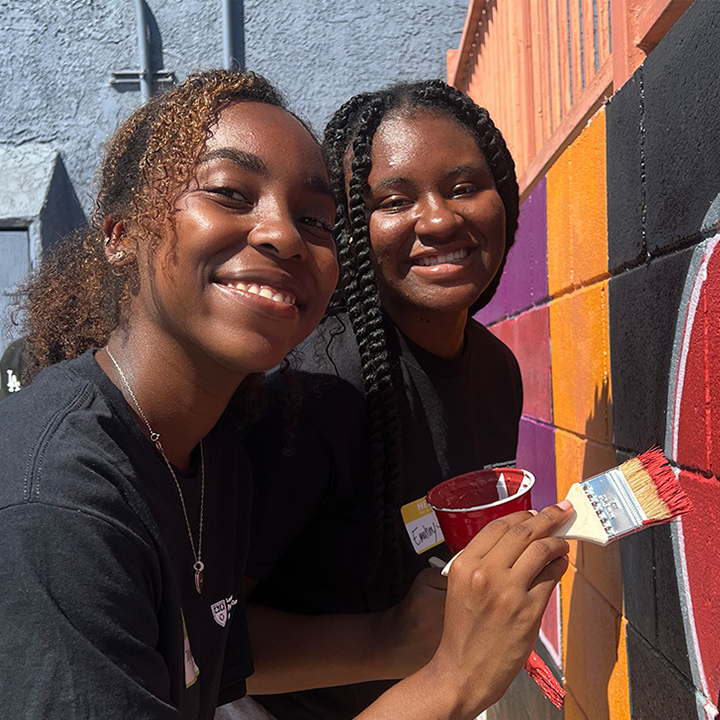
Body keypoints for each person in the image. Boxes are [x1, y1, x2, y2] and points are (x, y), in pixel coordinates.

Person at [0, 69, 571, 720]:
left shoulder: (203, 453)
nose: (282, 235)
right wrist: (452, 681)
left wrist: (408, 640)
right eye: (230, 192)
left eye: (314, 217)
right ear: (120, 235)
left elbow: (212, 654)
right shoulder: (56, 506)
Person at [244, 80, 531, 720]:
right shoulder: (311, 390)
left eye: (462, 187)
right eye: (395, 201)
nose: (437, 219)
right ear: (351, 230)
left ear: (503, 199)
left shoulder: (497, 371)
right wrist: (391, 641)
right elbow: (204, 639)